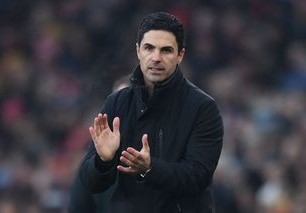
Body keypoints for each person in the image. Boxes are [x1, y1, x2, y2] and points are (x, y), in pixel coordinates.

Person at [69, 11, 224, 213]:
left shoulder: (203, 108)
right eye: (149, 48)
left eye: (166, 50)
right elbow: (91, 184)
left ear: (180, 55)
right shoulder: (117, 103)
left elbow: (196, 177)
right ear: (138, 51)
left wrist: (150, 169)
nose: (156, 58)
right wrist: (103, 162)